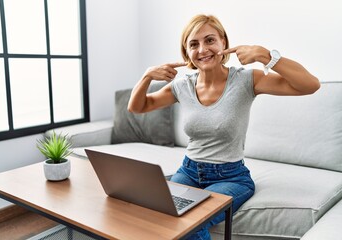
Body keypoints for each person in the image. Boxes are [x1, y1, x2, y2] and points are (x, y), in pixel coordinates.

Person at [128, 14, 320, 240]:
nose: (202, 49)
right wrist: (146, 76)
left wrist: (266, 56)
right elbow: (138, 106)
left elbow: (310, 85)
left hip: (231, 178)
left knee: (190, 222)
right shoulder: (182, 86)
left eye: (210, 40)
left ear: (223, 44)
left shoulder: (246, 80)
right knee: (159, 215)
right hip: (188, 171)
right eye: (194, 44)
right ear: (186, 52)